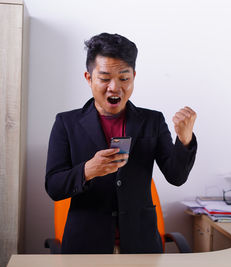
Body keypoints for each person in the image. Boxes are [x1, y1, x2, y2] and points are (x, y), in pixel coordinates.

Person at [45, 33, 197, 254]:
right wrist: (88, 171)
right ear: (89, 78)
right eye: (105, 78)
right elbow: (54, 187)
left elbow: (176, 177)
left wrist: (184, 140)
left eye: (124, 78)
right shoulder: (66, 123)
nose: (114, 87)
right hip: (85, 246)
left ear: (134, 77)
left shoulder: (152, 121)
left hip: (141, 245)